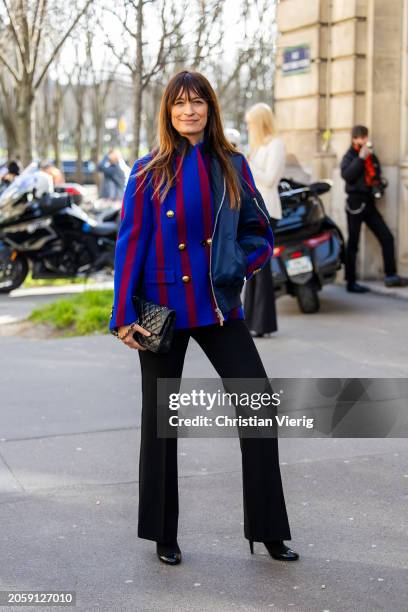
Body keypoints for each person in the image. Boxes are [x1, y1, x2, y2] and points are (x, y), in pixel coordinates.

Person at [109, 70, 299, 566]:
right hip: (161, 312)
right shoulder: (148, 169)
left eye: (198, 102)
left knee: (257, 406)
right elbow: (130, 244)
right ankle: (161, 533)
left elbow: (261, 231)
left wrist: (241, 263)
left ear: (210, 109)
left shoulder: (232, 164)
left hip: (218, 308)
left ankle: (269, 530)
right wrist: (123, 314)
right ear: (168, 112)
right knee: (161, 422)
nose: (189, 110)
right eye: (180, 104)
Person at [341, 125, 408, 291]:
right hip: (355, 204)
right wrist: (361, 159)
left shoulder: (372, 156)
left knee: (387, 237)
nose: (364, 141)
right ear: (354, 139)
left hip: (369, 203)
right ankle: (350, 281)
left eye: (365, 137)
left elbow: (376, 175)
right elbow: (347, 176)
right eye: (361, 138)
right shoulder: (350, 156)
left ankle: (390, 275)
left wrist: (379, 184)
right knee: (353, 244)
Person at [243, 103, 286, 337]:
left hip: (268, 212)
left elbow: (269, 179)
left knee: (263, 269)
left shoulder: (276, 145)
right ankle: (250, 321)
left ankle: (263, 323)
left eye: (251, 123)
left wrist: (247, 164)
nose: (248, 128)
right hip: (255, 210)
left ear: (260, 122)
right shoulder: (259, 147)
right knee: (253, 267)